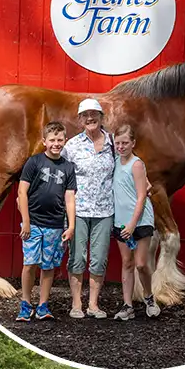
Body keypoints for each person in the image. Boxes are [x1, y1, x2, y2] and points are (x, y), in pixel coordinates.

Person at [64, 97, 119, 318]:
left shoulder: (113, 143)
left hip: (105, 210)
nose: (90, 118)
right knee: (77, 257)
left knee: (99, 258)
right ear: (79, 119)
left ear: (101, 117)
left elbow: (125, 167)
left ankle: (94, 304)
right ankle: (77, 304)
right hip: (78, 210)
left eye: (94, 114)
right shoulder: (72, 146)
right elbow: (64, 177)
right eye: (85, 115)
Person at [15, 122, 76, 322]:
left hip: (55, 225)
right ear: (44, 142)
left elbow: (69, 199)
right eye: (52, 140)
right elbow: (22, 192)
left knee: (48, 266)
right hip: (33, 223)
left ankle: (43, 305)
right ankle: (25, 303)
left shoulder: (68, 167)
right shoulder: (34, 162)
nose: (56, 144)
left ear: (65, 141)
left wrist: (71, 226)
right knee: (30, 263)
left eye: (60, 140)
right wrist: (26, 221)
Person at [109, 124, 160, 321]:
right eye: (118, 143)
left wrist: (132, 224)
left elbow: (141, 197)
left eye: (125, 143)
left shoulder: (137, 164)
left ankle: (149, 298)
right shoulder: (115, 162)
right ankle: (127, 305)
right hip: (121, 221)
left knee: (140, 264)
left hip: (140, 221)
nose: (121, 147)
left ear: (133, 143)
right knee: (127, 263)